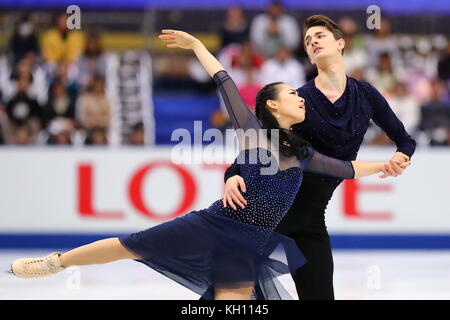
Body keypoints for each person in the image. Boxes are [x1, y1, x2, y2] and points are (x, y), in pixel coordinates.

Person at [10, 30, 409, 300]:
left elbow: (348, 169)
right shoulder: (254, 133)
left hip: (249, 248)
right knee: (128, 246)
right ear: (272, 105)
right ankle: (54, 262)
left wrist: (388, 164)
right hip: (212, 224)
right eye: (291, 93)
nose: (300, 96)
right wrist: (196, 44)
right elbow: (224, 80)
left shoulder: (302, 153)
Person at [220, 15, 416, 300]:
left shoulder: (366, 95)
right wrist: (232, 175)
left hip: (310, 223)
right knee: (226, 297)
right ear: (309, 55)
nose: (313, 42)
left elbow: (406, 140)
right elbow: (256, 145)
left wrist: (401, 157)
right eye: (308, 41)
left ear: (340, 43)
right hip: (266, 215)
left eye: (320, 36)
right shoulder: (299, 101)